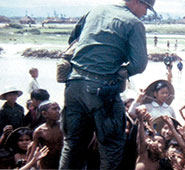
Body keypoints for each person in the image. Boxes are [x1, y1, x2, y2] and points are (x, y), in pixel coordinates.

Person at [60, 0, 154, 168]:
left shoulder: (97, 9)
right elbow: (139, 64)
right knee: (111, 148)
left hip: (74, 85)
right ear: (135, 1)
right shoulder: (134, 23)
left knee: (72, 146)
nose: (145, 13)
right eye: (146, 7)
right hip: (102, 90)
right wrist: (121, 72)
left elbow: (73, 39)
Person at [28, 101, 63, 169]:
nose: (58, 111)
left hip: (61, 163)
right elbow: (33, 151)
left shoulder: (63, 127)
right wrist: (27, 166)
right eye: (54, 109)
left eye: (58, 109)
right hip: (46, 165)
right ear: (44, 113)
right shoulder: (39, 131)